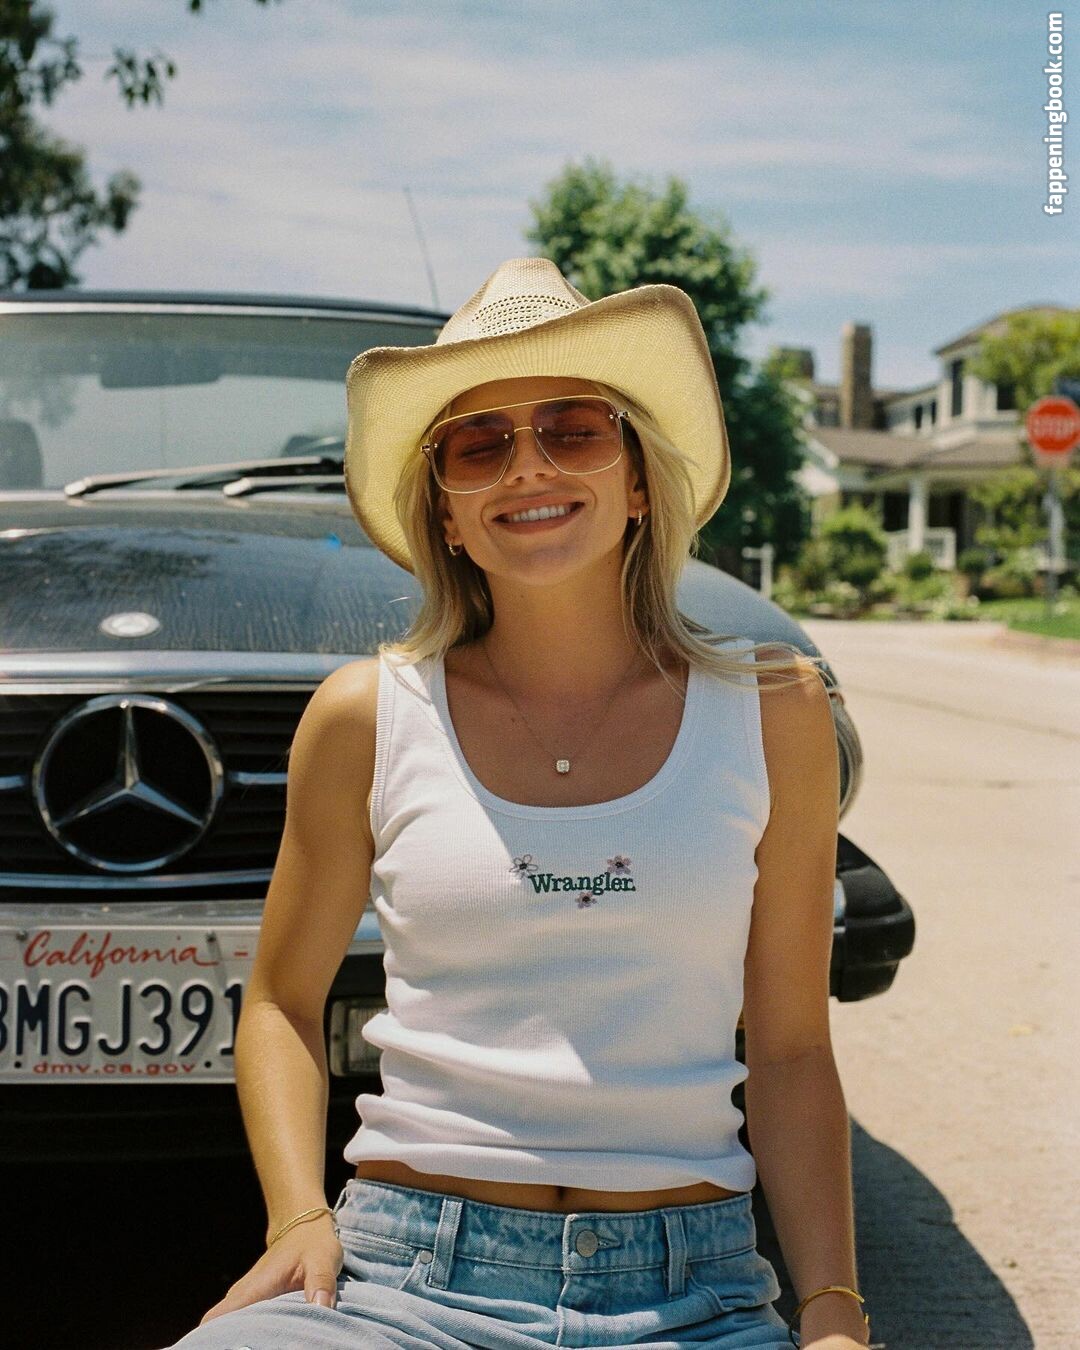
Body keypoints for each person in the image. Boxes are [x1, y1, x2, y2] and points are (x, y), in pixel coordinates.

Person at [166, 258, 872, 1349]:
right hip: (401, 1285)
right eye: (479, 444)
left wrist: (831, 1312)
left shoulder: (775, 710)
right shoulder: (365, 716)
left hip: (697, 1297)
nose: (529, 464)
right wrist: (298, 1217)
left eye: (574, 429)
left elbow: (789, 1050)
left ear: (639, 482)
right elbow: (279, 1002)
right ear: (447, 514)